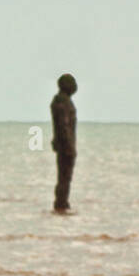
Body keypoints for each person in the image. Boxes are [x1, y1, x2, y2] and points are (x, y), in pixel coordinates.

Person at [50, 73, 78, 213]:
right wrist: (68, 146)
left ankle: (62, 203)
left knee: (64, 177)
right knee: (64, 178)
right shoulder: (62, 101)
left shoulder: (61, 100)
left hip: (65, 145)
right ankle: (61, 204)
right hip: (65, 146)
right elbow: (63, 125)